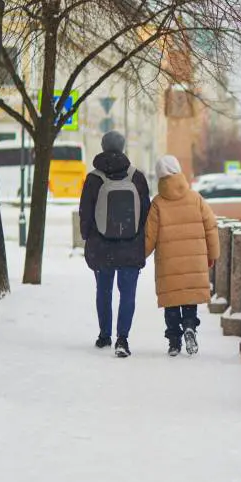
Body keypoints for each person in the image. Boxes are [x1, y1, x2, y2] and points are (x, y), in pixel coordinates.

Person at [79, 130, 151, 358]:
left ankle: (104, 335)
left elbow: (85, 214)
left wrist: (88, 238)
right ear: (122, 147)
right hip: (130, 246)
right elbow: (146, 213)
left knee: (104, 290)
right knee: (128, 293)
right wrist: (138, 238)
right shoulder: (136, 177)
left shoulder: (93, 179)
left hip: (102, 246)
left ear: (102, 147)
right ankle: (123, 338)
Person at [145, 154, 221, 357]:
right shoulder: (196, 199)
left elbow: (149, 235)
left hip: (168, 264)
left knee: (171, 302)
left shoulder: (158, 203)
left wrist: (139, 256)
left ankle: (173, 342)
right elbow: (211, 227)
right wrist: (212, 254)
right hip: (194, 261)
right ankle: (189, 326)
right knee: (189, 297)